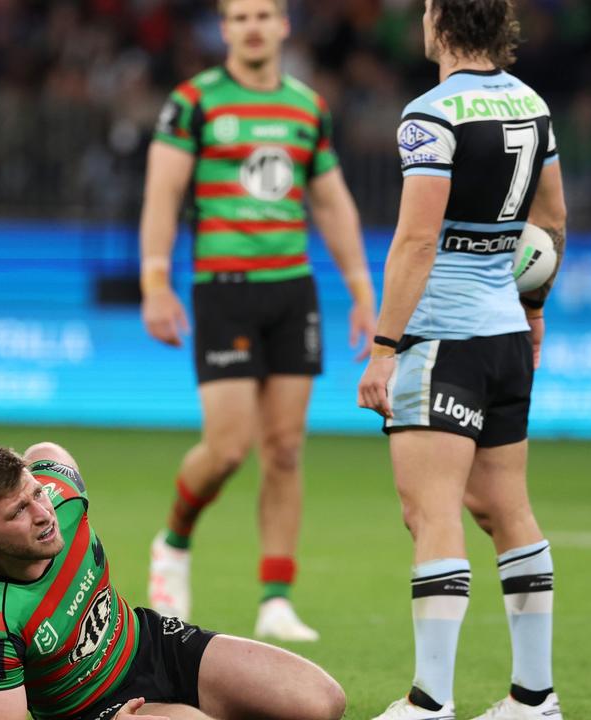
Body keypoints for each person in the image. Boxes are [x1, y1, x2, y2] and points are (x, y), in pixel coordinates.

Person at [140, 0, 376, 642]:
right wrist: (156, 283)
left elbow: (331, 202)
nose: (251, 25)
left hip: (291, 292)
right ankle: (173, 542)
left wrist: (361, 288)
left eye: (263, 14)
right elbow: (162, 194)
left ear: (283, 26)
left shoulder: (307, 106)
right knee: (226, 450)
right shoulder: (193, 102)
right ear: (225, 29)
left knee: (286, 449)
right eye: (239, 16)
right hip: (223, 290)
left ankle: (276, 596)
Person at [356, 0, 567, 718]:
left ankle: (429, 702)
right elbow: (553, 221)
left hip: (441, 336)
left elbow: (417, 242)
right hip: (505, 332)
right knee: (506, 508)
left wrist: (385, 348)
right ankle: (535, 699)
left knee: (431, 512)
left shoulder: (430, 113)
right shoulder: (532, 103)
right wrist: (534, 309)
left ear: (440, 22)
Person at [0, 442, 347, 720]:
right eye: (17, 512)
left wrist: (26, 484)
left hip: (154, 643)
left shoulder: (61, 495)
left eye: (35, 494)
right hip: (93, 711)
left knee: (322, 701)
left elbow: (46, 452)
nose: (42, 514)